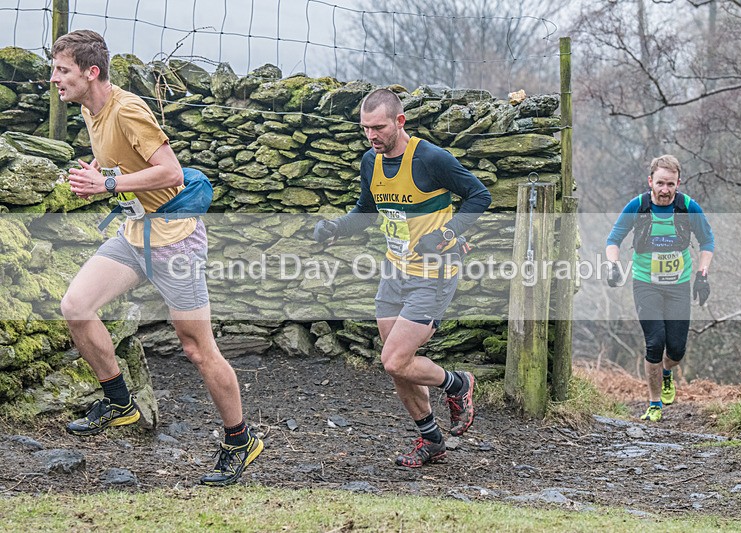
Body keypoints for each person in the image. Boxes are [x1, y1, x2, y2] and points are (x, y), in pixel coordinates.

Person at [51, 30, 262, 485]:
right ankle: (119, 401)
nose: (54, 79)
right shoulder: (91, 110)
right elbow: (129, 169)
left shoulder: (127, 108)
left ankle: (240, 439)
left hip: (174, 241)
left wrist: (107, 186)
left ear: (91, 73)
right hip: (134, 235)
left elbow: (170, 172)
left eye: (62, 70)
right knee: (75, 305)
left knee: (197, 349)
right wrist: (102, 175)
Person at [314, 88, 491, 467]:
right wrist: (333, 229)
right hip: (394, 272)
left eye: (378, 128)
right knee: (398, 363)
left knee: (394, 360)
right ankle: (431, 440)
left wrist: (446, 235)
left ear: (400, 121)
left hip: (433, 274)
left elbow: (479, 196)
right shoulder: (370, 161)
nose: (371, 136)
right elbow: (366, 211)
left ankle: (458, 384)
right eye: (365, 129)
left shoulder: (430, 158)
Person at [606, 155, 714, 422]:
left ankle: (667, 372)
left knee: (676, 349)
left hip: (678, 286)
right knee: (655, 343)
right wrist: (613, 264)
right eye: (660, 183)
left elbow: (707, 242)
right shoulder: (637, 206)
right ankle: (654, 403)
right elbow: (613, 239)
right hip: (646, 284)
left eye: (670, 184)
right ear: (650, 181)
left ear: (679, 183)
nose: (665, 190)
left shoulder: (689, 207)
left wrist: (702, 275)